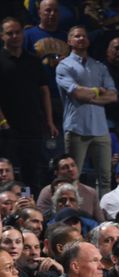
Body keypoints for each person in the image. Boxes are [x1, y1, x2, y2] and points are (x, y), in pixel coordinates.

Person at [55, 25, 117, 194]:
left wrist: (89, 95)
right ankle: (73, 213)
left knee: (105, 177)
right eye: (76, 36)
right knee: (72, 177)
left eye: (84, 36)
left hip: (100, 129)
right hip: (77, 128)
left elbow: (113, 96)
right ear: (69, 41)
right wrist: (98, 91)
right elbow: (77, 93)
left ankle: (104, 214)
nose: (81, 38)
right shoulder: (64, 66)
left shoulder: (99, 67)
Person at [0, 17, 59, 188]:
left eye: (18, 32)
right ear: (2, 36)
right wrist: (3, 122)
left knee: (32, 171)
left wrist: (49, 121)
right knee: (8, 171)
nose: (14, 36)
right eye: (9, 33)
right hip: (7, 129)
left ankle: (29, 205)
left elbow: (44, 91)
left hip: (33, 125)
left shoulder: (33, 61)